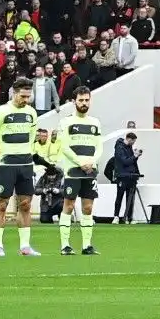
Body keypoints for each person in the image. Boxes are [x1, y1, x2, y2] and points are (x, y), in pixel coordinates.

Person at [0, 82, 43, 257]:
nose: (26, 100)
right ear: (13, 93)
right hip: (7, 165)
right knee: (1, 205)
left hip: (25, 165)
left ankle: (25, 246)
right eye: (22, 96)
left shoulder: (31, 113)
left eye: (28, 96)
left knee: (25, 205)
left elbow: (32, 138)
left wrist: (30, 153)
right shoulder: (0, 112)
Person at [55, 86, 103, 255]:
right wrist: (79, 162)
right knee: (68, 206)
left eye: (86, 100)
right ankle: (65, 245)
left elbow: (99, 147)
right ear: (74, 101)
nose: (84, 103)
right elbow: (64, 146)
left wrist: (92, 162)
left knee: (88, 208)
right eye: (81, 100)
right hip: (73, 170)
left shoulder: (95, 122)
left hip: (90, 170)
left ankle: (86, 245)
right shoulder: (66, 122)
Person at [110, 130, 141, 222]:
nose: (133, 143)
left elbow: (131, 162)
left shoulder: (129, 147)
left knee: (130, 197)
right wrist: (134, 156)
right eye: (133, 141)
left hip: (131, 176)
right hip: (122, 176)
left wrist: (136, 156)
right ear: (128, 139)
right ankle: (116, 216)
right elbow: (125, 161)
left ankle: (128, 217)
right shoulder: (119, 147)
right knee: (119, 196)